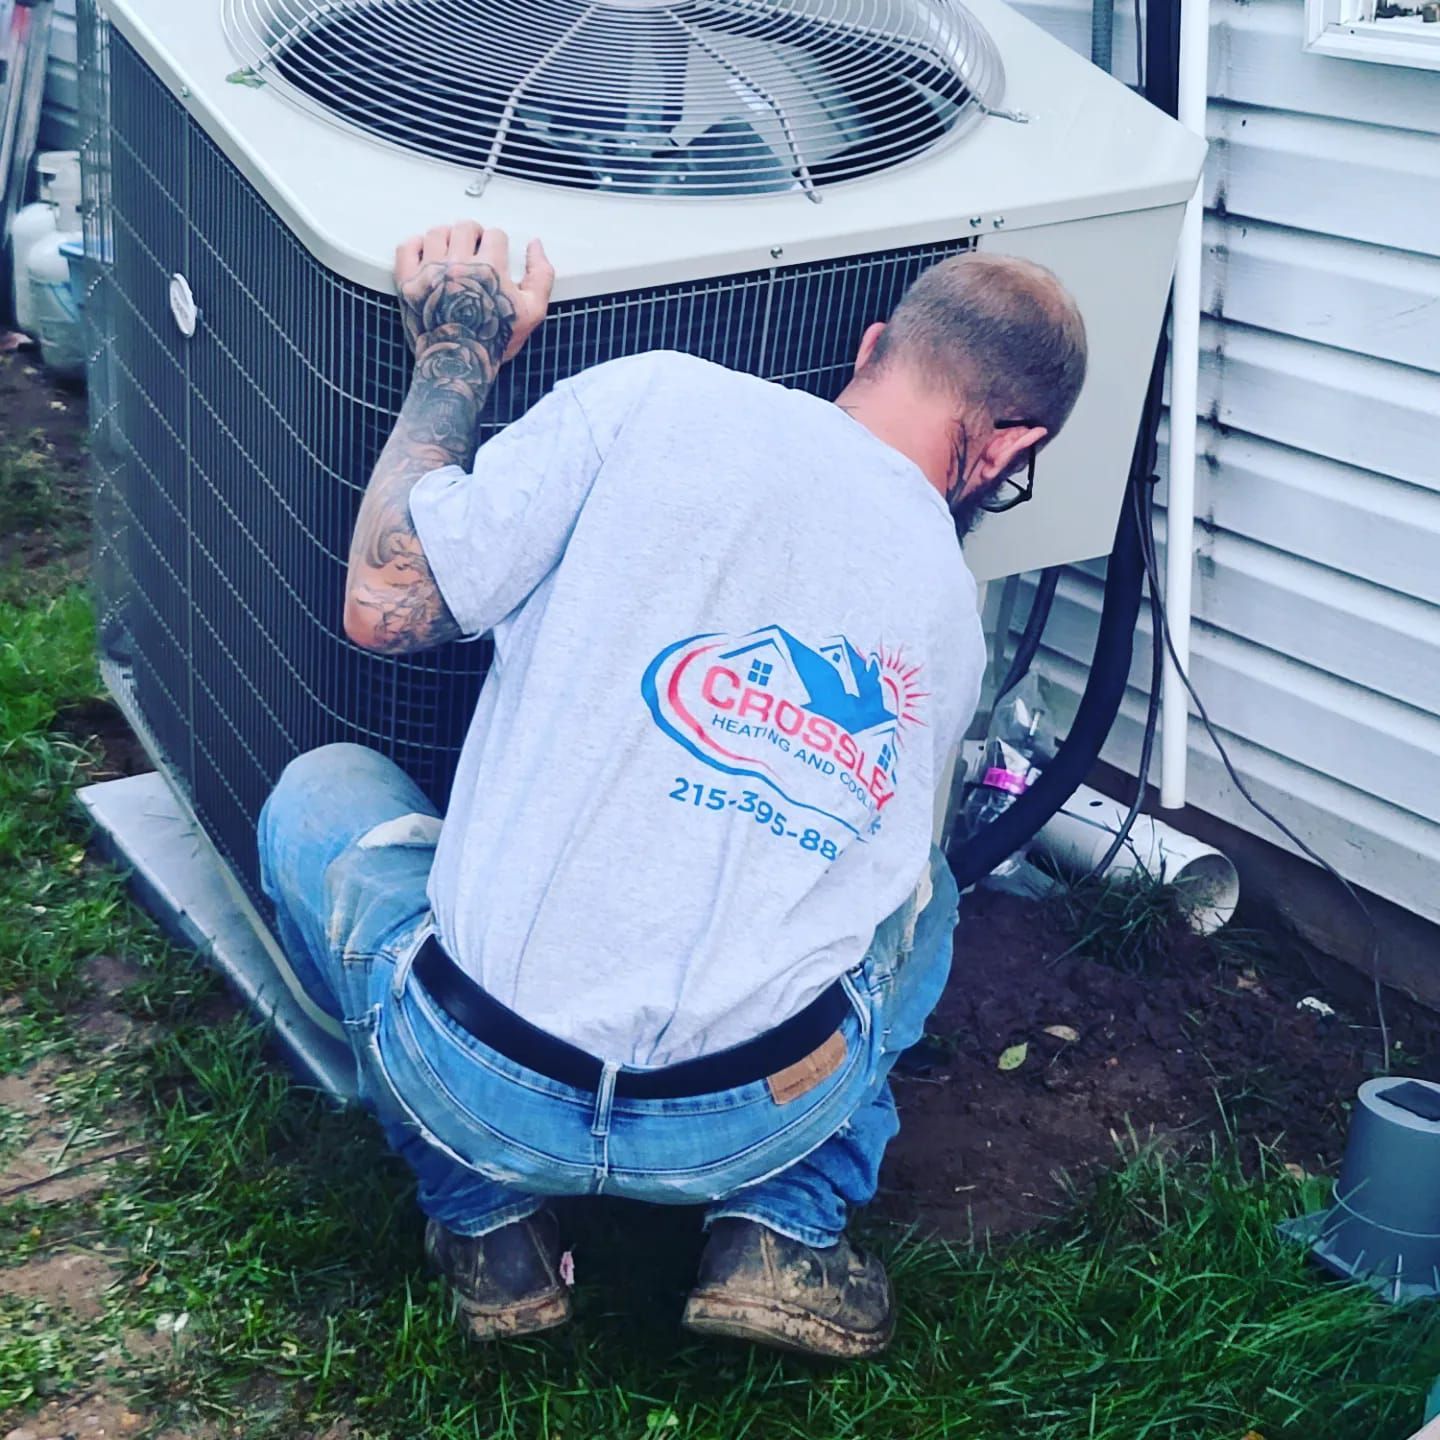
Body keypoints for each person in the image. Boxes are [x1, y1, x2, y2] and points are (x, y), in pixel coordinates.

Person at [258, 221, 1087, 1358]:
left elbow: (383, 604)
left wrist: (456, 350)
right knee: (922, 894)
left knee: (318, 797)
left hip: (477, 1080)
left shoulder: (645, 398)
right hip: (744, 1120)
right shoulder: (947, 608)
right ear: (1008, 446)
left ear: (874, 345)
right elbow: (870, 875)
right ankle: (780, 1230)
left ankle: (485, 1221)